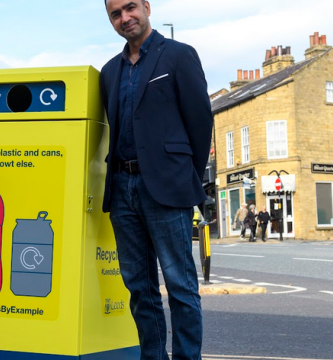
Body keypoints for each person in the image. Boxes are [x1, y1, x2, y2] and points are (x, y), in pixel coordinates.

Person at [100, 0, 213, 359]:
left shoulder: (179, 56)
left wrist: (185, 178)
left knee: (180, 285)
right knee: (139, 289)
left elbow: (200, 122)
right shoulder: (108, 71)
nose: (125, 18)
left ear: (147, 7)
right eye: (116, 14)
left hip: (167, 187)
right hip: (122, 188)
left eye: (130, 8)